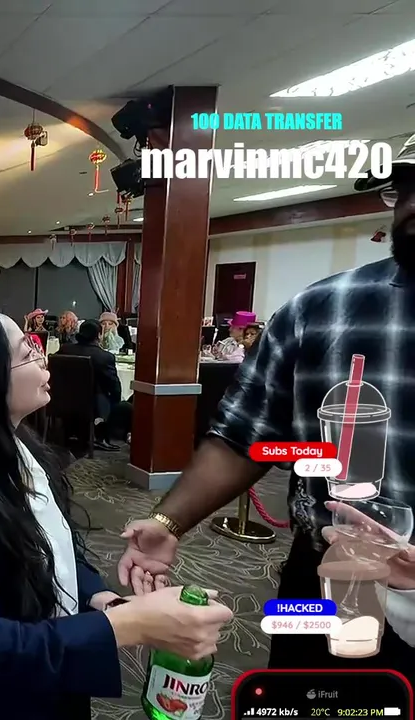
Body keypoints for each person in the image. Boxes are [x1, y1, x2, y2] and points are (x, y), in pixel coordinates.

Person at [117, 131, 415, 671]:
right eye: (408, 187)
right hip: (325, 577)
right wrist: (168, 521)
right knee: (310, 699)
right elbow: (245, 438)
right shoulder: (323, 309)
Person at [0, 306, 233, 720]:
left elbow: (53, 548)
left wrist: (104, 600)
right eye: (27, 352)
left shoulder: (23, 448)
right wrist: (130, 625)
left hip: (45, 669)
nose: (42, 359)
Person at [54, 320, 127, 451]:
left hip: (61, 401)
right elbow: (114, 385)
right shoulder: (104, 357)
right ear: (99, 335)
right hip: (91, 405)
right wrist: (116, 401)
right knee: (112, 397)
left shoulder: (65, 349)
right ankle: (100, 436)